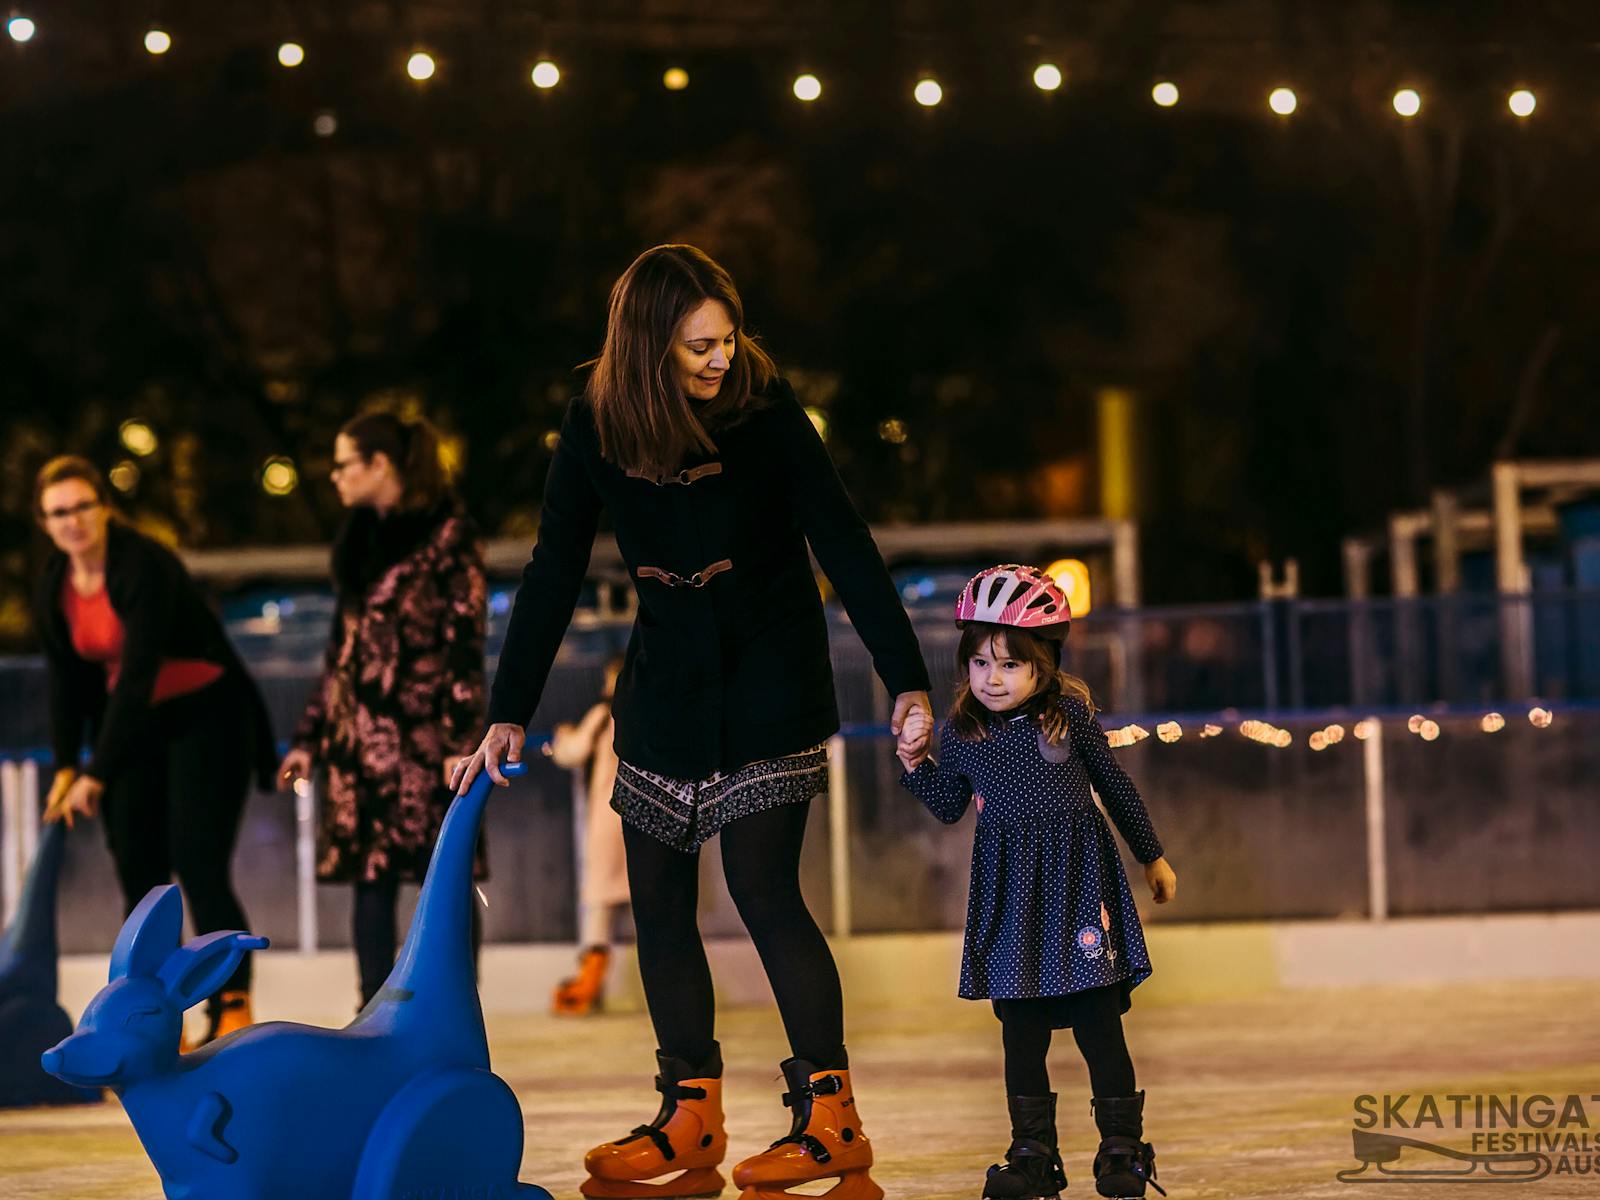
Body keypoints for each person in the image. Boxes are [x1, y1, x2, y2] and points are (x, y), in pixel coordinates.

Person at [454, 244, 933, 1200]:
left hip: (769, 674)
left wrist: (906, 680)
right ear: (646, 349)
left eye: (725, 339)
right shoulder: (597, 419)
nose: (719, 359)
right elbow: (552, 568)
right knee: (657, 904)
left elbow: (841, 535)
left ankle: (830, 1119)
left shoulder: (764, 407)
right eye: (696, 347)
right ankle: (689, 1113)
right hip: (667, 684)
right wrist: (507, 712)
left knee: (762, 888)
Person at [897, 564, 1178, 1200]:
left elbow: (1116, 787)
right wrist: (914, 765)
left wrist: (1151, 856)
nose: (992, 679)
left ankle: (1121, 1148)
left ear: (1043, 666)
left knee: (1097, 1021)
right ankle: (1032, 1156)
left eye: (1010, 665)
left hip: (1078, 887)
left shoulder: (1068, 720)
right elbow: (947, 804)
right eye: (979, 663)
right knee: (1019, 1029)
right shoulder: (964, 733)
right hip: (1008, 897)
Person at [33, 455, 277, 1045]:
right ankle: (150, 1019)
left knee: (198, 861)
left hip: (205, 715)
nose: (72, 522)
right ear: (45, 522)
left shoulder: (144, 563)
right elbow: (67, 680)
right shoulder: (54, 586)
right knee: (139, 875)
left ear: (103, 508)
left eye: (81, 507)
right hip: (136, 725)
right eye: (58, 513)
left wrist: (98, 771)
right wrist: (68, 765)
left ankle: (232, 1002)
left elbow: (139, 671)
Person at [277, 412, 488, 1010]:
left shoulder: (449, 535)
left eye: (344, 463)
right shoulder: (356, 541)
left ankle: (451, 1010)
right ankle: (375, 1017)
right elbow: (341, 656)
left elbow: (465, 644)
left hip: (427, 745)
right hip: (360, 748)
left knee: (444, 882)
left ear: (380, 464)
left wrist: (460, 737)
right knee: (370, 884)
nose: (335, 476)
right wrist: (307, 739)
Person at [545, 654, 629, 1015]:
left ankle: (588, 987)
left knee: (599, 904)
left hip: (608, 819)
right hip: (649, 819)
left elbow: (573, 752)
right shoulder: (653, 712)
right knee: (652, 900)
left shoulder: (602, 715)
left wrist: (561, 738)